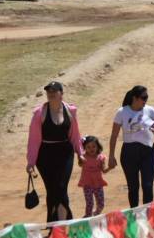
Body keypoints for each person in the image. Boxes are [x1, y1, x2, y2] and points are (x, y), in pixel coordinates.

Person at [26, 81, 83, 223]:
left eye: (54, 91)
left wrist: (80, 152)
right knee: (51, 190)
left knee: (61, 187)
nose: (51, 93)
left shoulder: (70, 111)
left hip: (65, 153)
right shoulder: (40, 113)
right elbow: (34, 139)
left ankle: (62, 225)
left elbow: (75, 134)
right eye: (49, 91)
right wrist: (31, 161)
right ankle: (54, 224)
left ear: (61, 94)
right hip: (45, 156)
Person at [108, 86, 154, 207]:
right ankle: (134, 215)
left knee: (148, 185)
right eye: (143, 98)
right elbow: (114, 135)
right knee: (133, 187)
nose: (145, 101)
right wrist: (111, 156)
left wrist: (152, 128)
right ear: (135, 98)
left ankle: (148, 215)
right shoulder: (122, 112)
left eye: (146, 98)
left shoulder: (150, 110)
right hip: (129, 153)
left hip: (148, 152)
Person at [78, 135, 109, 217]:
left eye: (93, 146)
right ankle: (88, 217)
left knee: (101, 204)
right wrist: (80, 157)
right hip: (87, 185)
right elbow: (80, 164)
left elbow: (104, 171)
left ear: (98, 146)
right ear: (84, 148)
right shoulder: (83, 157)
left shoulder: (101, 158)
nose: (91, 149)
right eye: (88, 147)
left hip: (98, 184)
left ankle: (95, 215)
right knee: (89, 204)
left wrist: (110, 167)